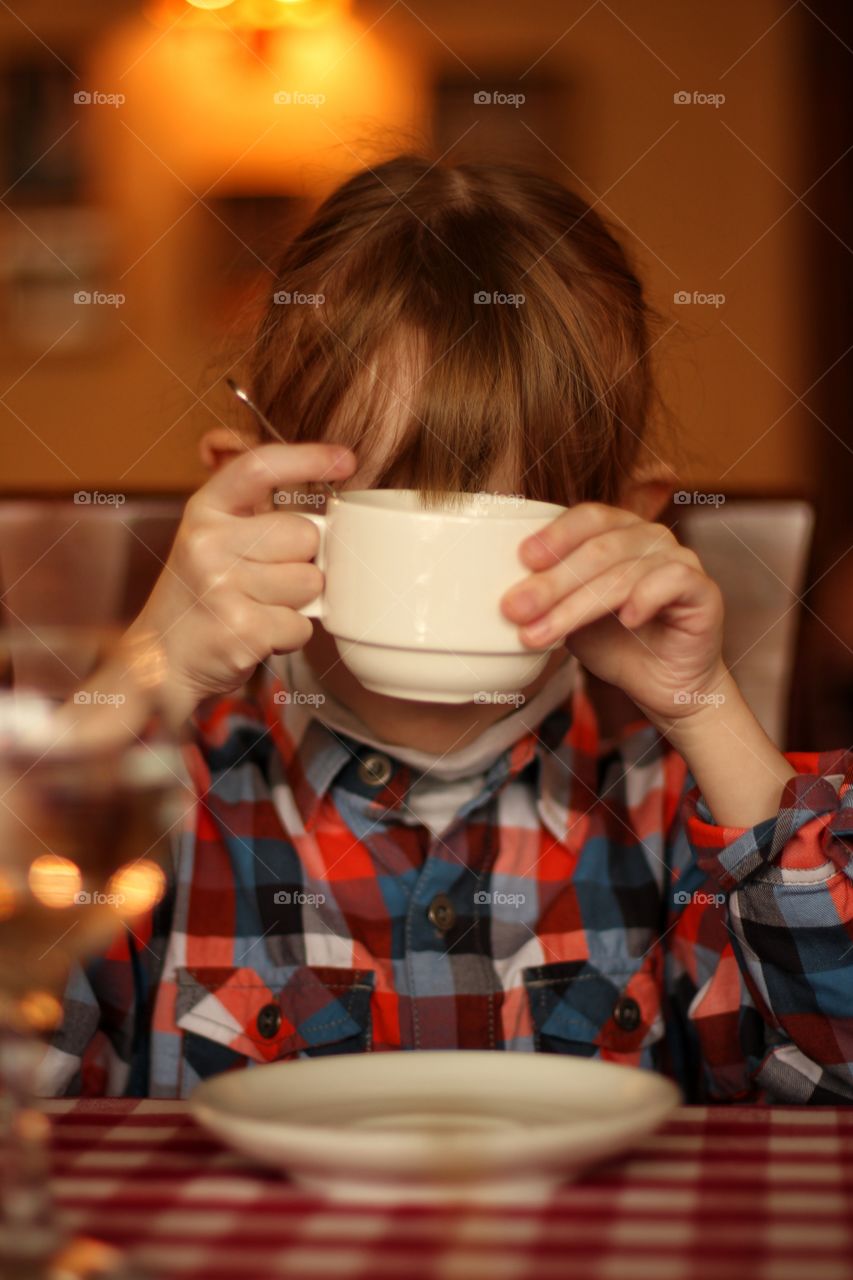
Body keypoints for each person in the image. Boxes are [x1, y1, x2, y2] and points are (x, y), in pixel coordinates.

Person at [42, 154, 853, 1103]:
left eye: (496, 518)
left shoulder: (685, 817)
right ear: (255, 506)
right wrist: (148, 679)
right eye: (388, 512)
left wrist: (705, 707)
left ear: (626, 523)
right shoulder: (150, 806)